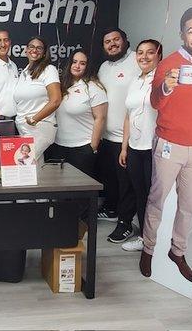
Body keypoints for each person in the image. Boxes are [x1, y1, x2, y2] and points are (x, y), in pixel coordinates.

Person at [140, 7, 192, 283]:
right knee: (157, 200)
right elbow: (154, 101)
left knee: (189, 206)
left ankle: (178, 251)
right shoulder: (168, 63)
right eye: (191, 30)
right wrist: (166, 87)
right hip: (169, 144)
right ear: (182, 34)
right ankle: (148, 249)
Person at [97, 27, 141, 244]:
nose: (112, 44)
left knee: (127, 184)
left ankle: (125, 223)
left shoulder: (136, 60)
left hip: (127, 137)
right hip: (107, 135)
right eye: (107, 41)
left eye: (116, 40)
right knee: (110, 178)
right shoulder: (104, 66)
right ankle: (111, 209)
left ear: (125, 40)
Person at [118, 40, 161, 252]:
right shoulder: (135, 81)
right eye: (140, 53)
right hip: (135, 148)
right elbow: (128, 116)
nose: (144, 57)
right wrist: (124, 147)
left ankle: (156, 242)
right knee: (140, 193)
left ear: (158, 55)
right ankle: (145, 239)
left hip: (154, 149)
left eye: (150, 53)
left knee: (154, 197)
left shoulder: (162, 79)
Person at [47, 49, 107, 177]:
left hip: (82, 148)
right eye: (74, 62)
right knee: (60, 192)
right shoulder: (62, 86)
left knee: (80, 193)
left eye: (82, 63)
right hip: (59, 146)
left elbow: (100, 118)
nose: (77, 66)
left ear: (88, 66)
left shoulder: (94, 87)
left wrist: (93, 147)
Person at [13, 36, 61, 162]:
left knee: (22, 164)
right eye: (32, 47)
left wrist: (35, 119)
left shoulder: (49, 70)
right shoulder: (25, 72)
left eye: (39, 48)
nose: (35, 50)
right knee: (34, 171)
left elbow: (55, 100)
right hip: (24, 128)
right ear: (26, 50)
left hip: (39, 128)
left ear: (44, 52)